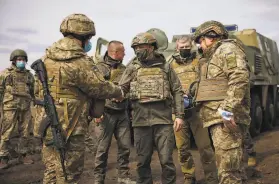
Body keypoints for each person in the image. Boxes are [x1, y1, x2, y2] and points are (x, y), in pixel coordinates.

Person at [38, 13, 123, 184]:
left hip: (48, 120)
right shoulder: (79, 60)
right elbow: (99, 87)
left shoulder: (46, 57)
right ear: (84, 36)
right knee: (70, 173)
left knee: (52, 169)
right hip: (71, 124)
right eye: (90, 38)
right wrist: (118, 91)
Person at [119, 32, 184, 184]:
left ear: (151, 47)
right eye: (135, 48)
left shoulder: (165, 67)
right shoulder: (132, 67)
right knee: (142, 162)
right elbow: (121, 88)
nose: (137, 50)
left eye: (140, 47)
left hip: (163, 122)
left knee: (166, 160)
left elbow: (177, 90)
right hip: (140, 122)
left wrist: (179, 115)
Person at [193, 20, 250, 184]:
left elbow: (239, 78)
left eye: (200, 42)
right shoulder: (215, 54)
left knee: (228, 173)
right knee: (233, 169)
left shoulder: (227, 50)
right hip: (219, 118)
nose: (200, 46)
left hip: (225, 119)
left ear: (209, 37)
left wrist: (227, 110)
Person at [169, 36, 218, 184]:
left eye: (187, 48)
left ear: (191, 47)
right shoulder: (170, 65)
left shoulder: (200, 62)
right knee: (182, 149)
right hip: (178, 113)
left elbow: (208, 81)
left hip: (197, 111)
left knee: (205, 148)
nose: (184, 50)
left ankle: (212, 178)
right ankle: (189, 177)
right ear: (177, 48)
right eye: (181, 48)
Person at [93, 40, 135, 184]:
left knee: (125, 147)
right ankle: (99, 179)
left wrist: (125, 96)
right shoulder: (98, 68)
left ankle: (123, 177)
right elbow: (93, 91)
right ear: (115, 52)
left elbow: (130, 88)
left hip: (122, 114)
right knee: (102, 150)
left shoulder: (125, 69)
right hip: (105, 114)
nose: (124, 54)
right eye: (123, 51)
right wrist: (96, 114)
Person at [0, 49, 35, 169]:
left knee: (25, 132)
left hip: (25, 107)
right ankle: (3, 157)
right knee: (7, 132)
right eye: (19, 59)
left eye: (23, 59)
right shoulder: (6, 74)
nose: (21, 61)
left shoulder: (29, 75)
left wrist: (35, 101)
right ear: (14, 60)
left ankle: (23, 154)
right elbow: (0, 90)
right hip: (10, 106)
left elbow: (33, 91)